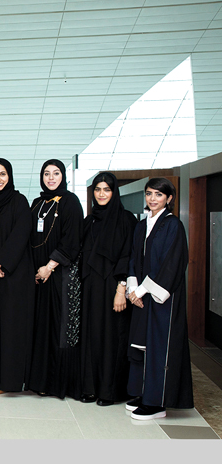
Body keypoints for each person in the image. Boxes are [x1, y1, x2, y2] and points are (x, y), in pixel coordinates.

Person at [126, 177, 193, 420]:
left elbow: (171, 264)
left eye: (158, 194)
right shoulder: (142, 225)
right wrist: (132, 288)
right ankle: (143, 393)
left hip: (161, 298)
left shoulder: (173, 225)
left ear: (169, 198)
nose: (152, 199)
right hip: (141, 295)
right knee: (142, 344)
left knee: (159, 347)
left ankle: (157, 402)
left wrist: (142, 290)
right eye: (149, 194)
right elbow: (134, 257)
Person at [28, 159, 84, 400]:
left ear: (63, 176)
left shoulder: (71, 202)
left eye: (56, 173)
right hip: (37, 276)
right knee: (39, 327)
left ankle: (57, 384)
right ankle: (38, 381)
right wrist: (34, 270)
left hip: (60, 276)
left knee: (58, 328)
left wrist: (49, 266)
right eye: (46, 173)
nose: (51, 178)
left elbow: (72, 239)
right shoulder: (37, 203)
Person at [79, 172, 137, 406]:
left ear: (114, 192)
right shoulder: (89, 221)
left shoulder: (126, 220)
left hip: (114, 287)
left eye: (106, 189)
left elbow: (129, 256)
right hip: (90, 287)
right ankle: (91, 388)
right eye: (97, 189)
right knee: (91, 336)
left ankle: (109, 391)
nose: (101, 194)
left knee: (112, 338)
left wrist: (121, 289)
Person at [0, 158, 35, 395]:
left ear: (10, 176)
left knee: (11, 328)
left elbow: (20, 236)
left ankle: (10, 383)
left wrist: (0, 262)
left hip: (14, 276)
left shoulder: (19, 202)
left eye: (2, 174)